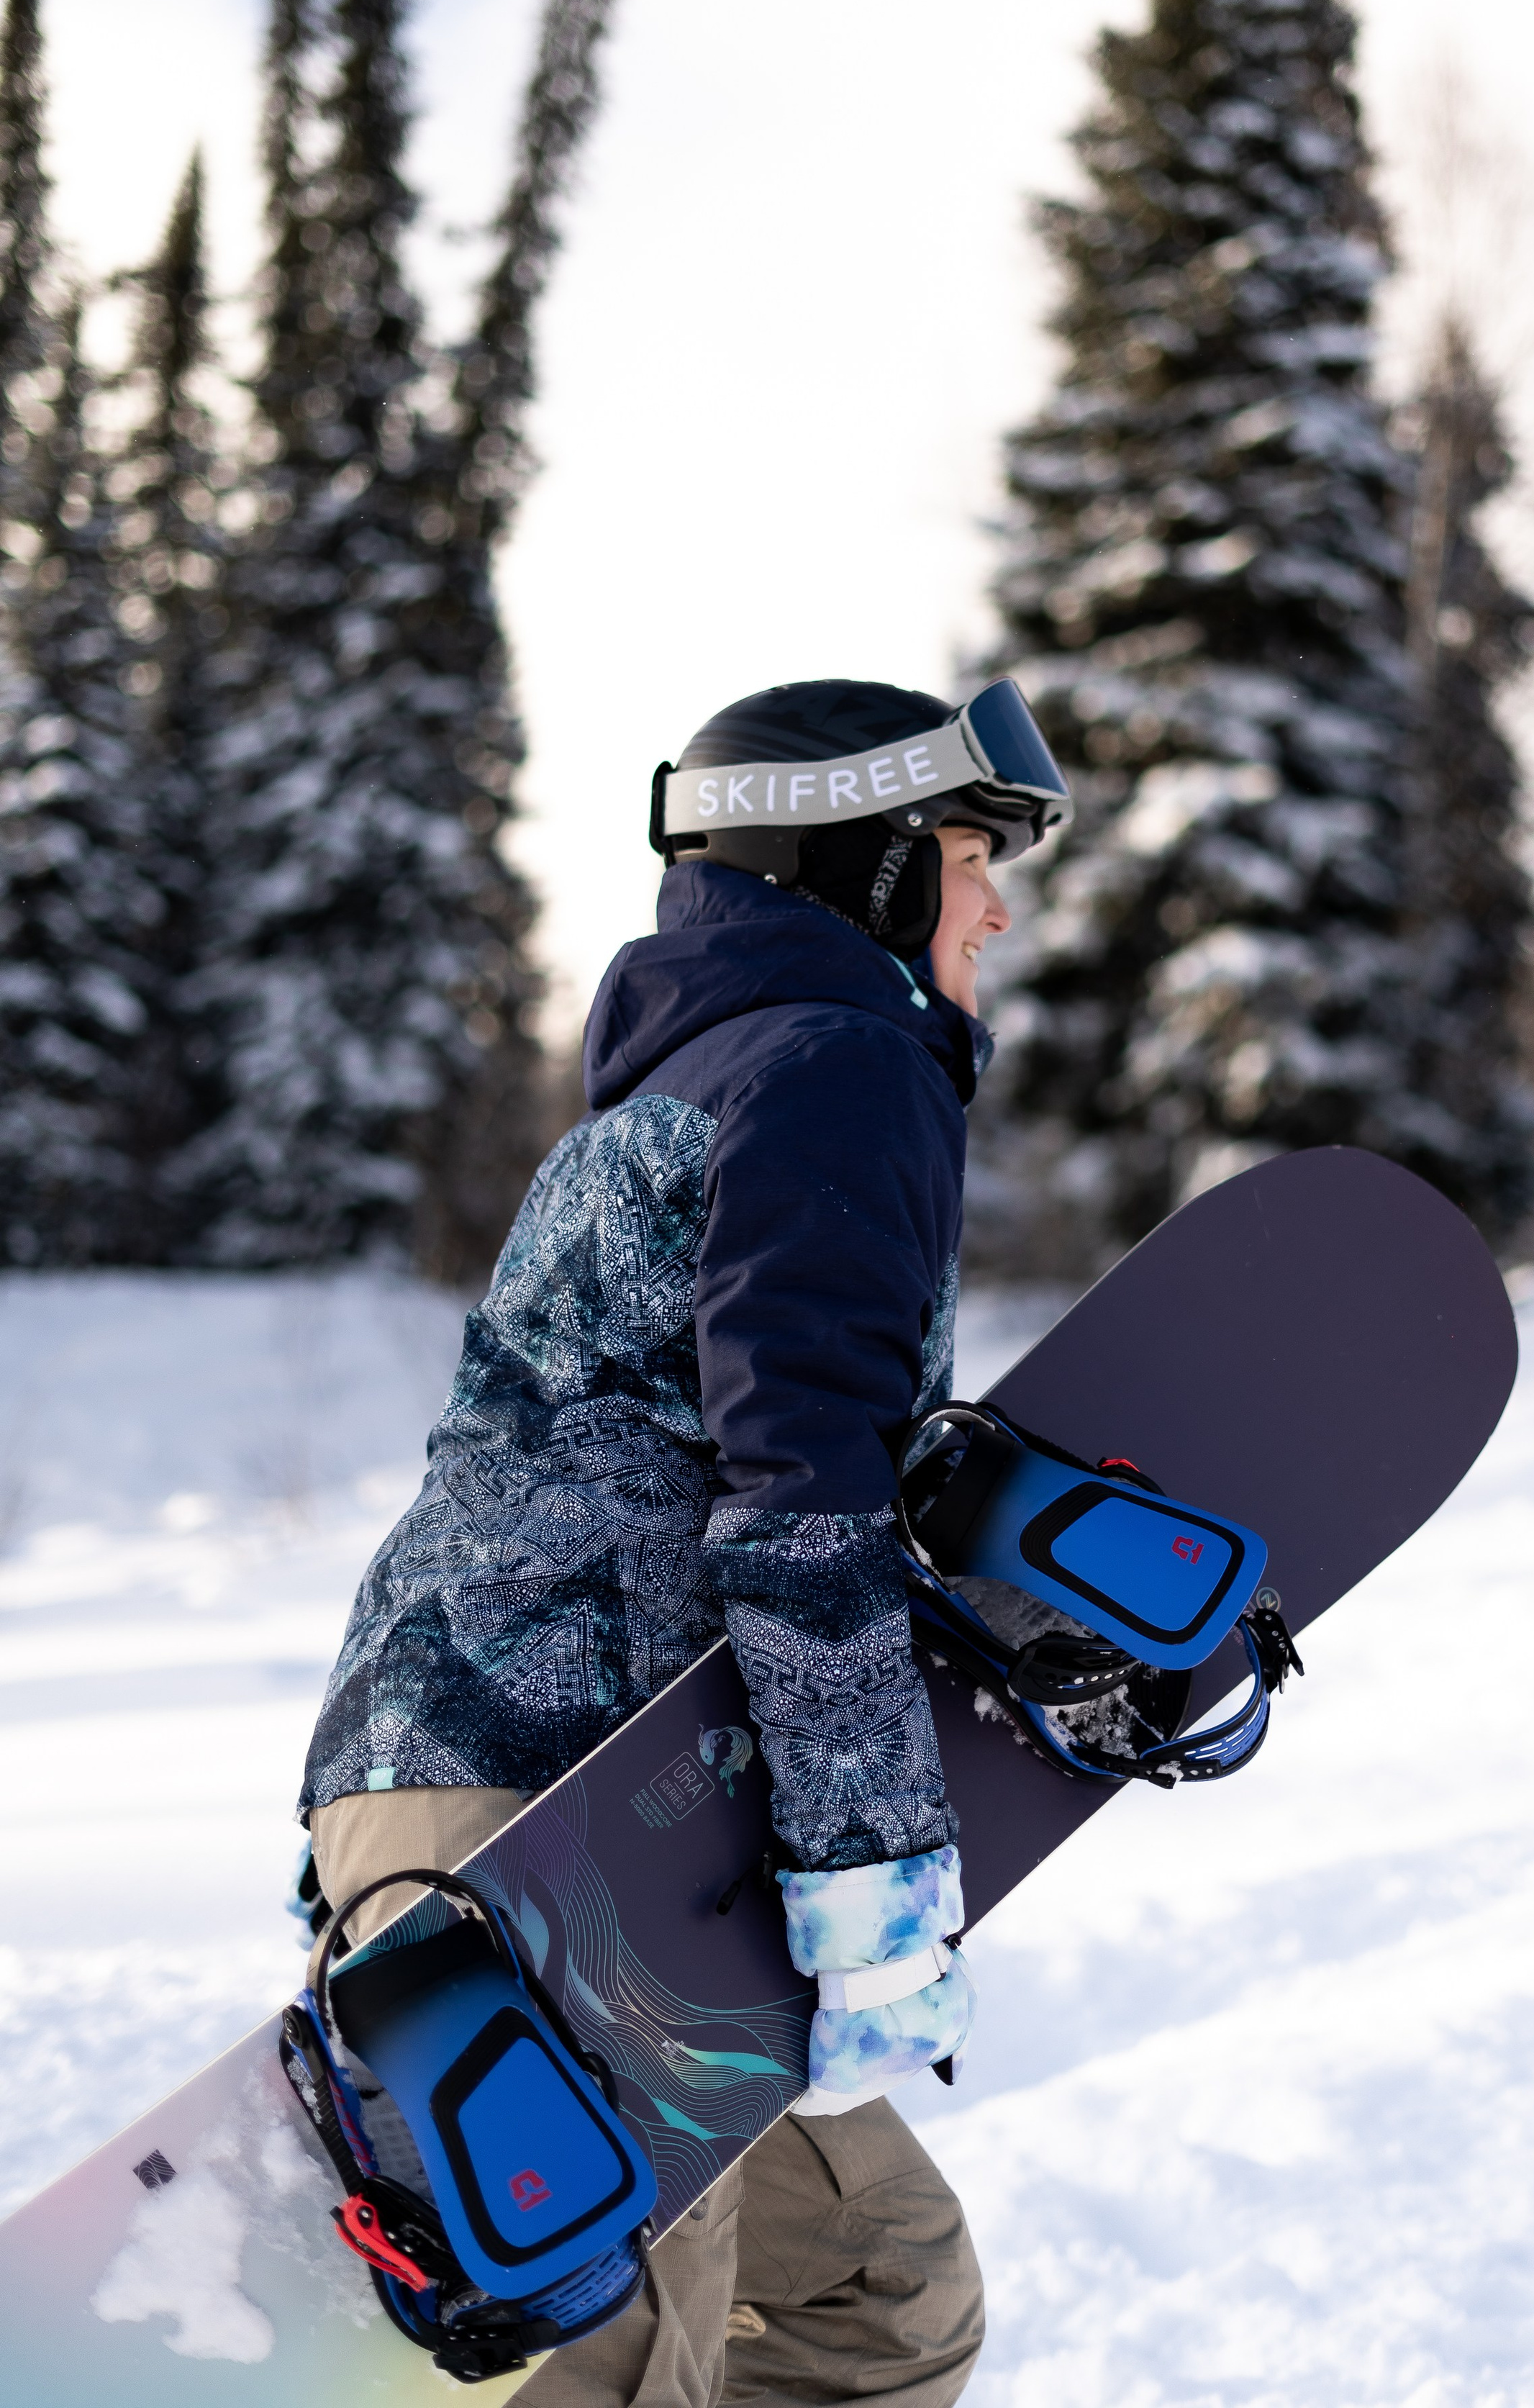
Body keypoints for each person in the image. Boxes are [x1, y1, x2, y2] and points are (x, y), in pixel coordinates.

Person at [296, 675, 1072, 2408]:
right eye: (969, 859)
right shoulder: (836, 1067)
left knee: (875, 2290)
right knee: (626, 2350)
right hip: (563, 1814)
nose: (998, 910)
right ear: (869, 865)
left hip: (496, 1788)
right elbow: (802, 1506)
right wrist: (871, 1879)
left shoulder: (688, 1087)